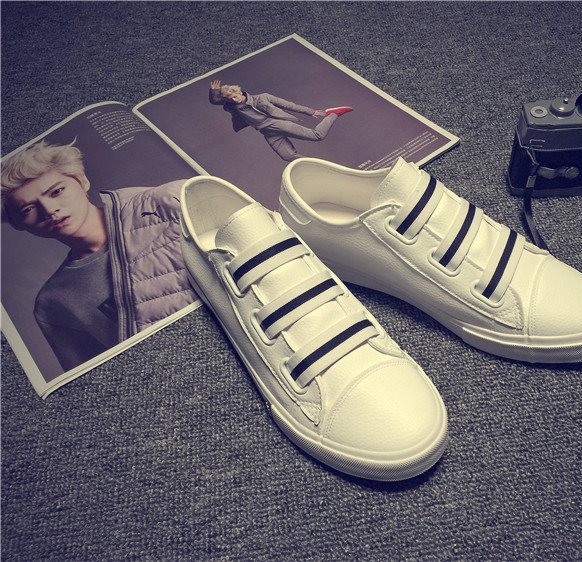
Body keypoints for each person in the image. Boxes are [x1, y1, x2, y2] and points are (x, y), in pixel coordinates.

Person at [1, 140, 197, 371]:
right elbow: (100, 380)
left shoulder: (168, 203)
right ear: (17, 224)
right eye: (28, 209)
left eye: (56, 191)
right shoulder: (52, 302)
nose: (49, 210)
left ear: (82, 181)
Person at [209, 79, 353, 161]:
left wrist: (310, 111)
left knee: (317, 135)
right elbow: (215, 101)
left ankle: (334, 114)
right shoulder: (233, 107)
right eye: (230, 99)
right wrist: (214, 91)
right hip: (267, 132)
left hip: (276, 123)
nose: (234, 100)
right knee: (287, 156)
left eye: (235, 97)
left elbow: (287, 105)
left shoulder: (262, 98)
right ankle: (316, 166)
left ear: (239, 92)